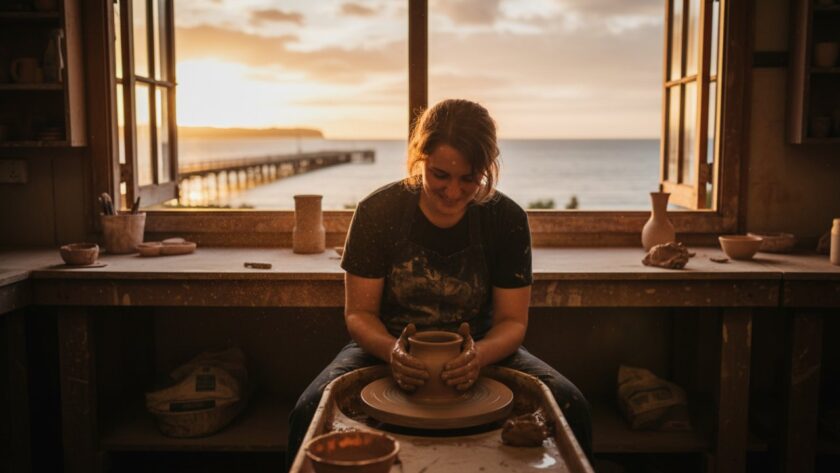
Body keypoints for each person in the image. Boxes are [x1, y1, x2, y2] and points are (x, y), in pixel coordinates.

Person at [287, 99, 591, 468]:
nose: (452, 192)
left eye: (469, 178)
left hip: (481, 348)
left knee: (571, 406)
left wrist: (479, 355)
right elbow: (360, 314)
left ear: (488, 168)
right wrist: (392, 352)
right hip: (386, 346)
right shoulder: (378, 212)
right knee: (308, 412)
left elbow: (513, 322)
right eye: (440, 176)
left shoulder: (505, 218)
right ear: (421, 158)